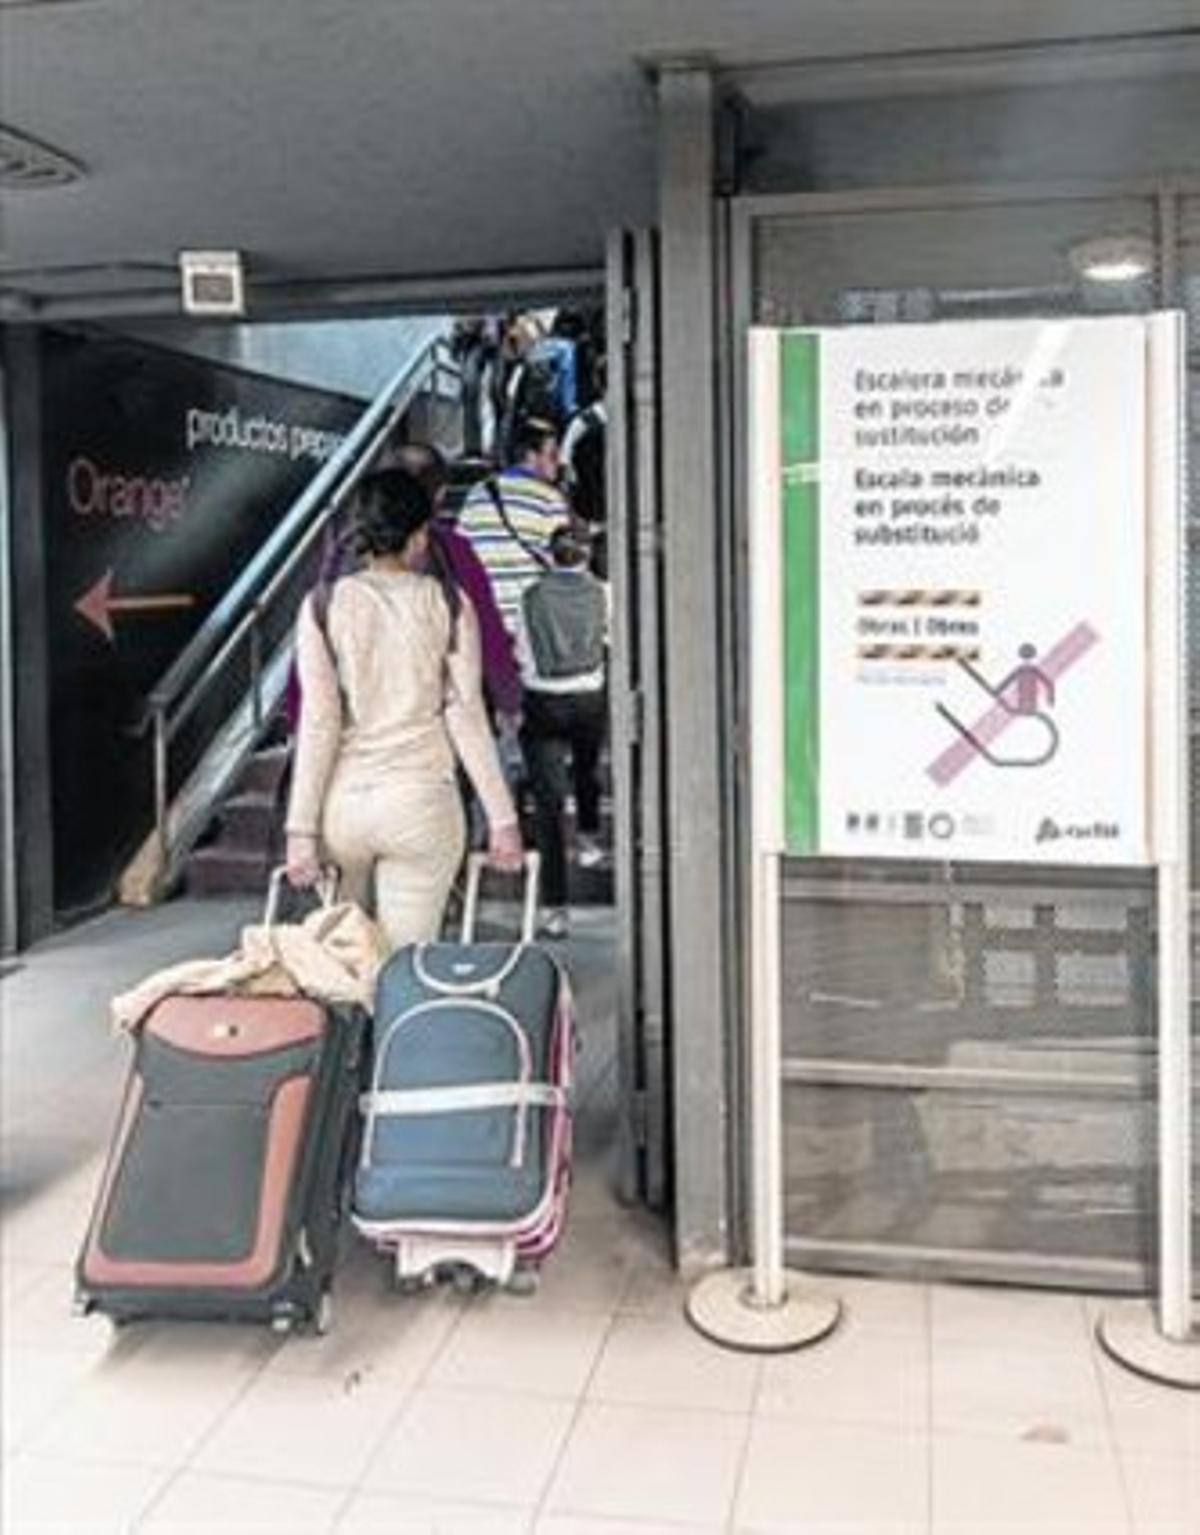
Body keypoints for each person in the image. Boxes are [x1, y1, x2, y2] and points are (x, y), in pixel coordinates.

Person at [285, 468, 523, 952]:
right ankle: (397, 1025)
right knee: (406, 964)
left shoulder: (323, 605)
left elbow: (319, 722)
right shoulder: (450, 604)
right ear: (419, 537)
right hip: (422, 804)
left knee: (342, 962)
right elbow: (466, 714)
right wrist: (502, 817)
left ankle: (350, 1027)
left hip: (344, 807)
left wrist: (300, 830)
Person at [515, 522, 608, 939]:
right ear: (588, 554)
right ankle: (589, 837)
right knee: (587, 770)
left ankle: (554, 908)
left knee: (549, 804)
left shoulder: (531, 596)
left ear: (550, 555)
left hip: (542, 699)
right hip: (589, 695)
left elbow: (522, 650)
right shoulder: (604, 593)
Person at [457, 417, 570, 640]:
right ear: (531, 456)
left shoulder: (478, 493)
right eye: (553, 456)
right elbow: (564, 563)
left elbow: (462, 552)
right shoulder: (549, 499)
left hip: (486, 621)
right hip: (532, 624)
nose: (560, 464)